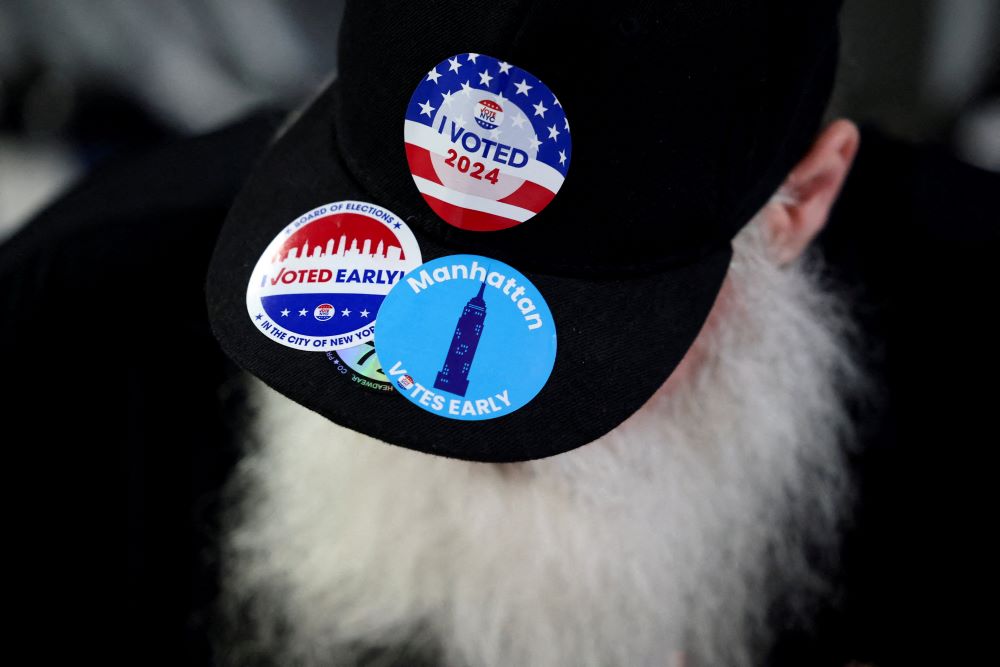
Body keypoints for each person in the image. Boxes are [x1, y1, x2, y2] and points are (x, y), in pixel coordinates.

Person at [1, 2, 997, 666]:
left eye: (579, 315)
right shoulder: (73, 322)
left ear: (800, 202)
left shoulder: (964, 334)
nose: (440, 396)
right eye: (407, 268)